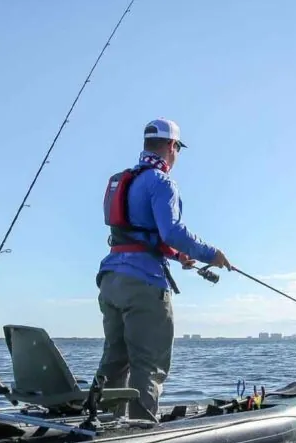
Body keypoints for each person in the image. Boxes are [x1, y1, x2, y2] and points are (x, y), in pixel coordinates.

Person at [83, 118, 231, 426]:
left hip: (111, 280)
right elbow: (172, 231)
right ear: (171, 146)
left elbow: (136, 233)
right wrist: (210, 253)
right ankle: (140, 433)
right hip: (144, 284)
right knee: (148, 364)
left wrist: (178, 256)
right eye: (177, 149)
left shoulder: (120, 180)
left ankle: (101, 424)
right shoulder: (162, 183)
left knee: (115, 359)